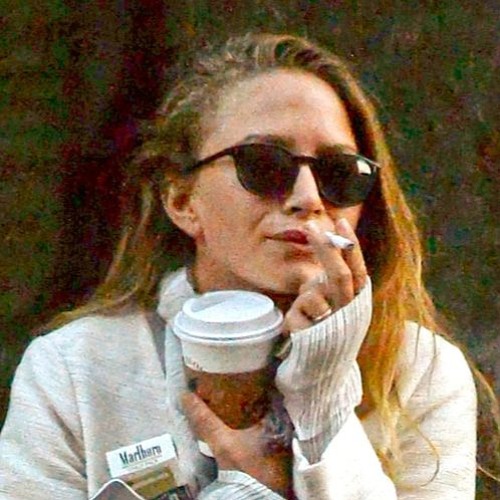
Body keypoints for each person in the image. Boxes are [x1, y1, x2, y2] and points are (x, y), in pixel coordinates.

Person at [0, 33, 496, 499]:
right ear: (181, 199)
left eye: (340, 173)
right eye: (264, 165)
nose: (308, 198)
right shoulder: (76, 368)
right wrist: (249, 488)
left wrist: (322, 404)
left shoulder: (420, 370)